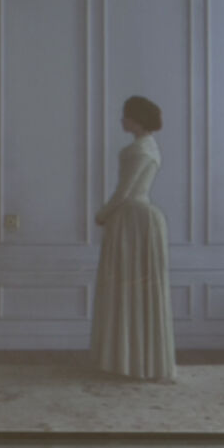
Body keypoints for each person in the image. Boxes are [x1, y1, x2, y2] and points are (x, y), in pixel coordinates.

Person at [90, 95, 176, 381]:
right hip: (135, 220)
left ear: (137, 119)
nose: (122, 120)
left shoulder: (140, 150)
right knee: (132, 289)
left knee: (128, 288)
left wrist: (102, 214)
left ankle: (130, 361)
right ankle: (132, 361)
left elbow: (125, 191)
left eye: (126, 115)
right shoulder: (145, 147)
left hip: (134, 221)